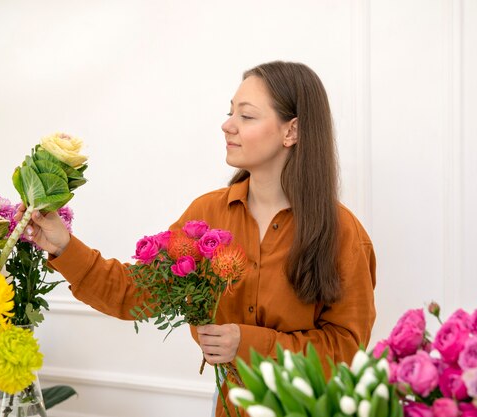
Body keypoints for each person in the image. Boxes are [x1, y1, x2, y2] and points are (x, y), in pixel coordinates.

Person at [19, 61, 376, 417]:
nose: (227, 125)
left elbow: (347, 349)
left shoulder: (343, 234)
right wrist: (64, 245)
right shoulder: (206, 216)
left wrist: (247, 343)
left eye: (247, 116)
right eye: (230, 112)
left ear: (292, 131)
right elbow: (134, 293)